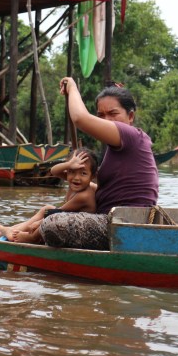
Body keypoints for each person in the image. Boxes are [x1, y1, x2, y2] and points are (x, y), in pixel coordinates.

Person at [38, 78, 159, 250]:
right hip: (113, 221)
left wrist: (72, 87)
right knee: (50, 211)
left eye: (113, 113)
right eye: (101, 115)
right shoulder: (115, 147)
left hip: (124, 224)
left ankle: (18, 238)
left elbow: (79, 118)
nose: (107, 120)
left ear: (130, 116)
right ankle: (4, 233)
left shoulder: (131, 135)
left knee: (54, 222)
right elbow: (111, 189)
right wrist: (81, 184)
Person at [0, 147, 98, 243]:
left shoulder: (84, 195)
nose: (76, 178)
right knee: (46, 209)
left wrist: (37, 224)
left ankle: (12, 234)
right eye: (72, 171)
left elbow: (58, 213)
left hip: (72, 231)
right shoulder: (76, 181)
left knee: (47, 212)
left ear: (92, 176)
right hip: (63, 220)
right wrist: (69, 164)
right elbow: (54, 171)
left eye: (83, 173)